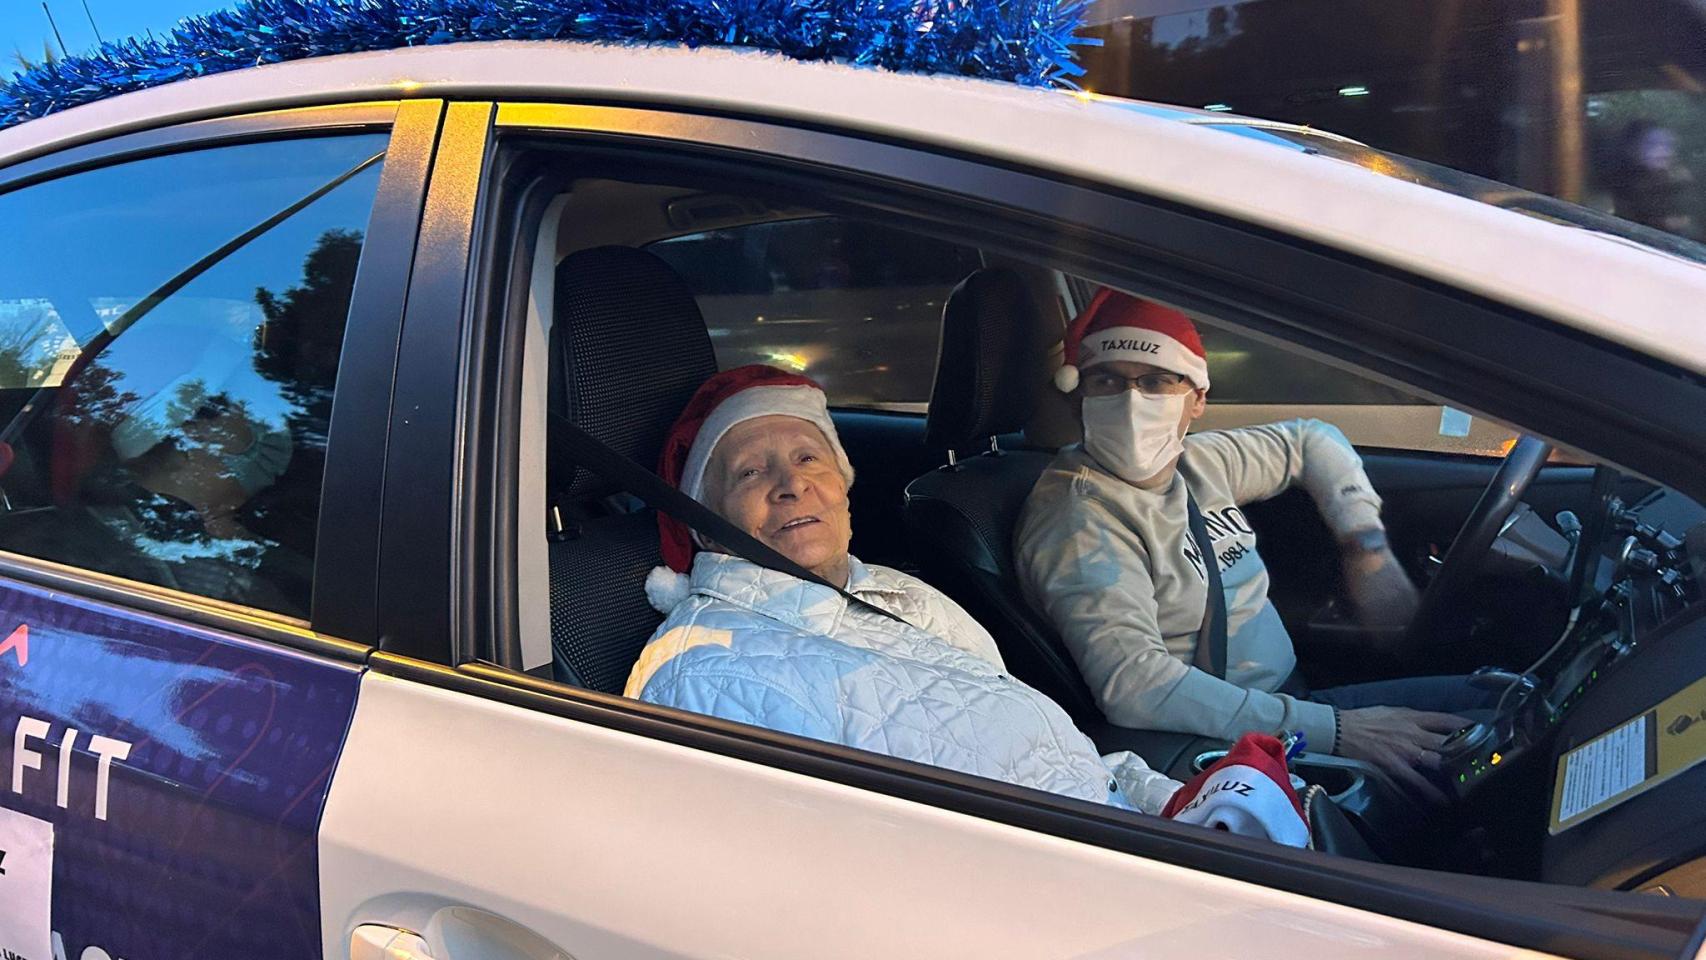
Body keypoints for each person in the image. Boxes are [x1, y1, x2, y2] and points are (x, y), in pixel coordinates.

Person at [625, 364, 1309, 845]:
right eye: (748, 471)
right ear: (700, 517)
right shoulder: (703, 671)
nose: (789, 486)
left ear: (842, 481)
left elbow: (1041, 758)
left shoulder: (890, 592)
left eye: (808, 459)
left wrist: (1178, 804)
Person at [1015, 290, 1491, 802]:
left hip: (1293, 702)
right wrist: (1337, 730)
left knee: (1500, 701)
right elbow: (1136, 685)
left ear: (1196, 399)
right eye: (1106, 381)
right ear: (1079, 394)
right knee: (1479, 758)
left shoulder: (1200, 462)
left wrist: (1364, 545)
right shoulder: (1078, 519)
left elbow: (1313, 439)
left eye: (1155, 382)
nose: (1131, 402)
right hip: (1233, 744)